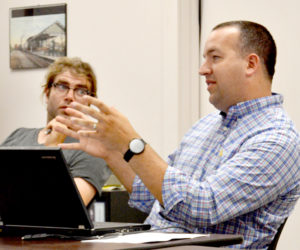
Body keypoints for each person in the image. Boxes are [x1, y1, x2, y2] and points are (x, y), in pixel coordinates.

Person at [54, 21, 299, 249]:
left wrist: (133, 144)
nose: (203, 70)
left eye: (215, 57)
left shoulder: (278, 140)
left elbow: (203, 207)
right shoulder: (205, 126)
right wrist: (112, 153)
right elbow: (158, 199)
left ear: (251, 64)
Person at [1, 57, 111, 206]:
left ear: (89, 102)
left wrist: (51, 149)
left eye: (80, 90)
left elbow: (62, 208)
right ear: (47, 93)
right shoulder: (19, 135)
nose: (69, 97)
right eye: (62, 86)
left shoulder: (92, 150)